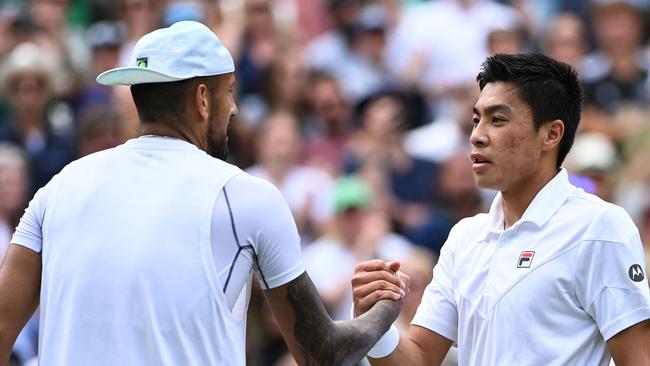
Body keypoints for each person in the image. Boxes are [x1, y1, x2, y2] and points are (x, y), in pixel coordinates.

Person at [0, 21, 408, 365]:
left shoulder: (58, 187)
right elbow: (323, 354)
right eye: (228, 91)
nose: (233, 108)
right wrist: (383, 310)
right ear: (201, 99)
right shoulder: (246, 196)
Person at [351, 53, 650, 365]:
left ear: (551, 134)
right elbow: (421, 358)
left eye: (498, 120)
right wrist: (375, 322)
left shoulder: (600, 226)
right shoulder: (464, 237)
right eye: (476, 119)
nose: (477, 136)